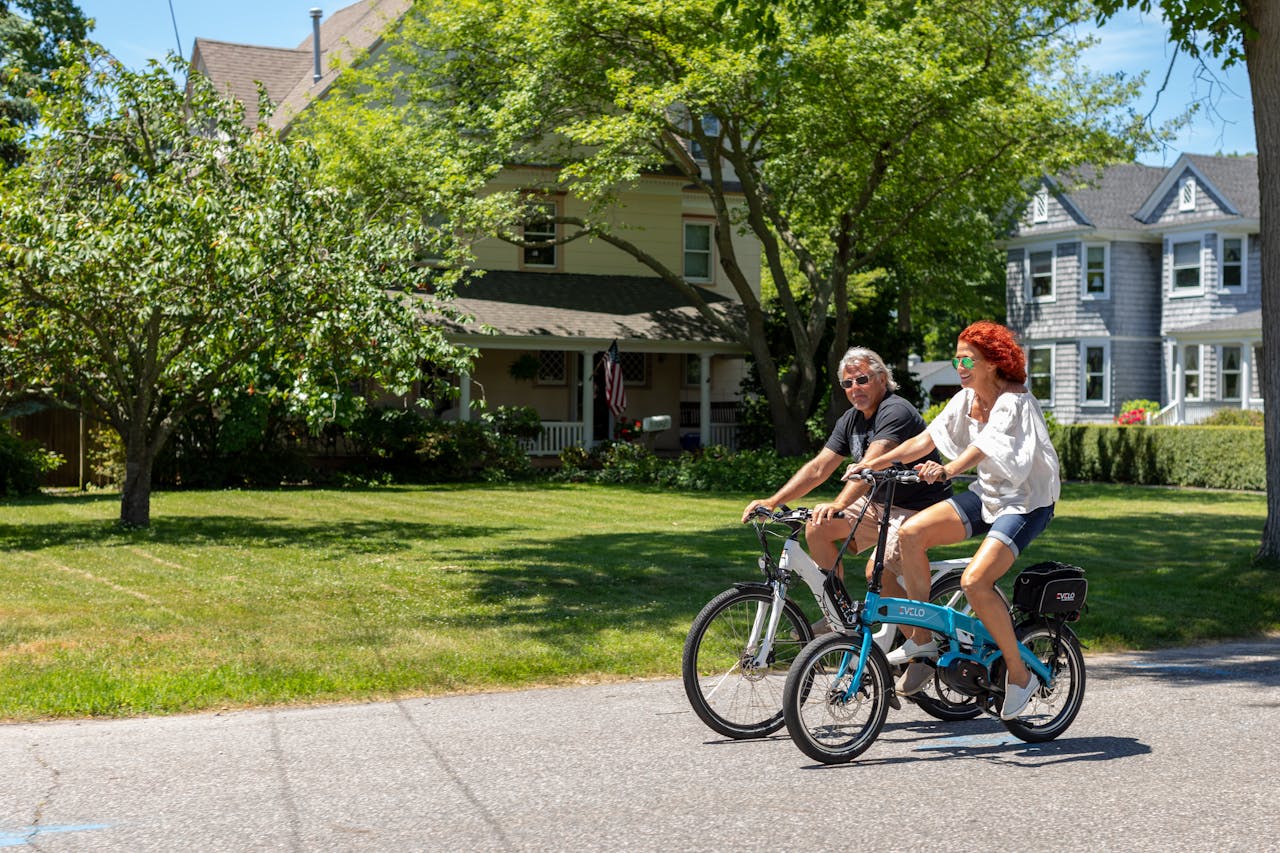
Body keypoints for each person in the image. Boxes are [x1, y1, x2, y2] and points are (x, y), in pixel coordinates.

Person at [854, 321, 1060, 719]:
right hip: (989, 496)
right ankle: (925, 640)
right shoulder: (965, 399)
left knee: (975, 582)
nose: (960, 366)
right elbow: (922, 441)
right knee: (911, 534)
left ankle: (1019, 676)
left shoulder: (1014, 401)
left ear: (994, 363)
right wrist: (869, 465)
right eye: (957, 358)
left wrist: (948, 471)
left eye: (968, 359)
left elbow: (982, 447)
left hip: (1027, 502)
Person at [741, 346, 952, 636]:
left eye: (862, 379)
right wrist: (774, 500)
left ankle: (921, 651)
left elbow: (869, 468)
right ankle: (837, 613)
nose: (855, 388)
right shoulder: (851, 419)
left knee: (877, 574)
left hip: (917, 509)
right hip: (878, 504)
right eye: (848, 383)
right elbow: (819, 468)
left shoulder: (895, 411)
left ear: (881, 378)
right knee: (818, 526)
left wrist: (839, 503)